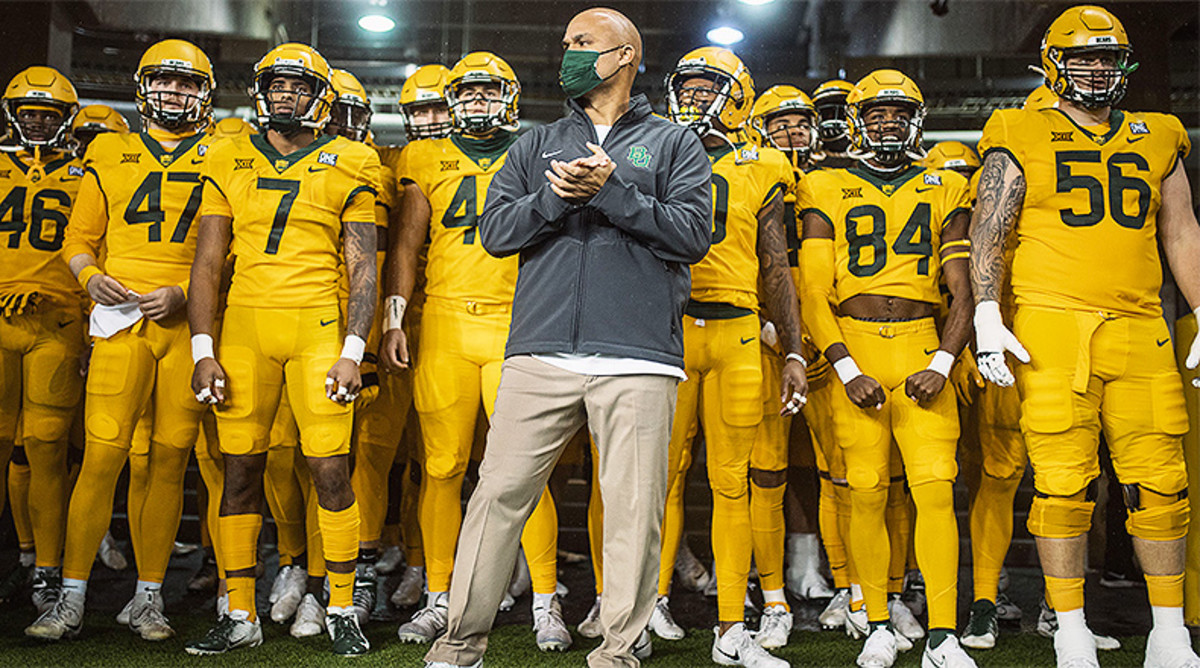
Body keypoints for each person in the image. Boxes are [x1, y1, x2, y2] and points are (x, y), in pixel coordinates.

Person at [421, 7, 712, 668]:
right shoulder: (535, 143)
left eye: (584, 43)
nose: (570, 53)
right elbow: (497, 233)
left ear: (625, 55)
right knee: (496, 497)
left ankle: (617, 649)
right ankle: (459, 644)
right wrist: (556, 198)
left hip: (639, 357)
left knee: (635, 514)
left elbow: (693, 234)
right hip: (539, 351)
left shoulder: (674, 144)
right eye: (566, 43)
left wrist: (611, 192)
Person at [970, 6, 1200, 668]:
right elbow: (991, 224)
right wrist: (989, 313)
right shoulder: (1018, 128)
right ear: (1053, 62)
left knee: (1162, 481)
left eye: (1107, 57)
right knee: (1064, 481)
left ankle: (1169, 633)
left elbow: (1180, 229)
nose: (1097, 69)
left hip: (1138, 325)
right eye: (1082, 57)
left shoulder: (1159, 134)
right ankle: (1068, 628)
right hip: (1051, 323)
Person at [183, 42, 379, 656]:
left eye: (298, 86)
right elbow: (207, 263)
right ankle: (239, 611)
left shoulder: (352, 160)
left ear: (320, 98)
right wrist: (200, 348)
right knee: (241, 472)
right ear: (259, 91)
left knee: (329, 469)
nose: (286, 96)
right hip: (243, 328)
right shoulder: (229, 151)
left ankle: (342, 605)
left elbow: (363, 267)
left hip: (318, 325)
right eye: (277, 85)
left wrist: (353, 347)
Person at [25, 40, 218, 643]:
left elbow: (229, 250)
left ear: (205, 93)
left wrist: (186, 292)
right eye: (164, 81)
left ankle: (148, 597)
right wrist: (91, 276)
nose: (173, 93)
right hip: (120, 321)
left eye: (185, 84)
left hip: (185, 325)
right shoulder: (109, 149)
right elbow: (79, 238)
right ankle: (71, 596)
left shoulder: (228, 151)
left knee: (168, 462)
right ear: (143, 85)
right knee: (103, 454)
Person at [379, 51, 568, 652]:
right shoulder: (422, 157)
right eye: (469, 93)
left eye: (489, 93)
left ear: (509, 99)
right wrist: (394, 317)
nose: (478, 103)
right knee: (442, 466)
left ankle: (545, 599)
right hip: (446, 326)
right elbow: (407, 247)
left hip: (520, 324)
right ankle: (442, 597)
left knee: (524, 472)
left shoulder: (540, 148)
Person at [798, 69, 977, 668]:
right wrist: (846, 368)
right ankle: (875, 620)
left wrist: (946, 361)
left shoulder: (943, 185)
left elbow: (964, 287)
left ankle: (944, 634)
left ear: (916, 120)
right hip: (857, 343)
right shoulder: (824, 183)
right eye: (875, 114)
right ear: (857, 122)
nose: (887, 123)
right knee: (867, 492)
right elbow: (814, 293)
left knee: (935, 492)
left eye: (898, 114)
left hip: (924, 344)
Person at [650, 48, 806, 667]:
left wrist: (793, 347)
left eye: (705, 87)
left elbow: (776, 265)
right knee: (656, 478)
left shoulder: (763, 163)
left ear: (738, 94)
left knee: (731, 484)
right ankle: (645, 604)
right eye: (685, 87)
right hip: (665, 329)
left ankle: (730, 628)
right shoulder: (650, 147)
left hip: (739, 330)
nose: (691, 97)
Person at [0, 65, 85, 619]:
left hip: (57, 319)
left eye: (46, 115)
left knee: (48, 445)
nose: (35, 123)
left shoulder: (88, 172)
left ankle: (47, 570)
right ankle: (27, 555)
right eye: (28, 113)